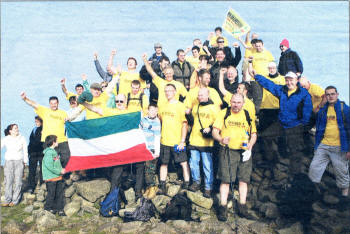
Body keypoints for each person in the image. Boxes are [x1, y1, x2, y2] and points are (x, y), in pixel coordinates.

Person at [252, 70, 313, 181]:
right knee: (266, 136)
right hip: (281, 122)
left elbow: (307, 111)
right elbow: (270, 85)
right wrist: (257, 76)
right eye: (287, 80)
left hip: (295, 125)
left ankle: (295, 176)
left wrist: (301, 125)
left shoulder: (303, 94)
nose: (289, 83)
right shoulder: (282, 90)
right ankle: (273, 161)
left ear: (297, 81)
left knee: (295, 151)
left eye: (291, 80)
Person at [212, 93, 257, 221]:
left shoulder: (248, 115)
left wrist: (250, 146)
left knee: (244, 179)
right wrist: (221, 138)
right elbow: (214, 131)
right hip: (227, 150)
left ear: (243, 103)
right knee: (225, 180)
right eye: (234, 102)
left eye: (238, 102)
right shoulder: (224, 113)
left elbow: (253, 134)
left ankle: (242, 207)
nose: (236, 105)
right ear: (230, 102)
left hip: (244, 151)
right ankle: (223, 207)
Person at [308, 86, 350, 208]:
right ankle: (314, 194)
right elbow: (318, 128)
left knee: (342, 171)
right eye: (327, 94)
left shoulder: (344, 109)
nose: (330, 96)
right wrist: (317, 145)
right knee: (314, 168)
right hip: (324, 145)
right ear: (325, 96)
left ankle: (344, 197)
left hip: (339, 147)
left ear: (337, 94)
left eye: (332, 94)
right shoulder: (323, 111)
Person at [20, 93, 77, 168]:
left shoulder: (63, 113)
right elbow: (34, 104)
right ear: (49, 104)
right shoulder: (45, 111)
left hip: (62, 140)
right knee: (52, 160)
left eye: (55, 103)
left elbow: (71, 122)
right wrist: (25, 99)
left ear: (58, 103)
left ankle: (63, 174)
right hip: (49, 141)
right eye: (52, 103)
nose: (53, 105)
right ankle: (55, 177)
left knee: (66, 157)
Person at [158, 84, 190, 193]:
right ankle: (162, 184)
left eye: (170, 91)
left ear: (175, 92)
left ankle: (186, 183)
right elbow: (160, 121)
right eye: (166, 91)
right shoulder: (162, 106)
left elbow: (184, 125)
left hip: (177, 142)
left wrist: (182, 141)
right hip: (164, 141)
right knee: (164, 163)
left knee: (183, 163)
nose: (168, 93)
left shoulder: (181, 106)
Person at [188, 88, 219, 198]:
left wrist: (210, 128)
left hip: (206, 142)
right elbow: (192, 121)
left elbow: (218, 122)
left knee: (207, 165)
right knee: (193, 163)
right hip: (194, 138)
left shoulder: (214, 108)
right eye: (199, 95)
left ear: (208, 95)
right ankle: (196, 182)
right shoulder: (196, 106)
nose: (199, 97)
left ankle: (208, 187)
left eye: (202, 95)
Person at [1, 124, 28, 207]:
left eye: (17, 128)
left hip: (19, 161)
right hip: (8, 161)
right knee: (8, 181)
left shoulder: (22, 138)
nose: (17, 129)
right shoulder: (5, 139)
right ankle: (7, 200)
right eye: (15, 128)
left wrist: (25, 161)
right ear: (10, 131)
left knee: (18, 181)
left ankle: (15, 201)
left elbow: (25, 150)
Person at [247, 39, 275, 113]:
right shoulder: (252, 54)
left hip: (266, 79)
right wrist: (252, 74)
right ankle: (256, 115)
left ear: (263, 45)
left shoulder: (268, 53)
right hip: (256, 79)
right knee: (258, 98)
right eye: (257, 46)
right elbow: (250, 68)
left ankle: (265, 114)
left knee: (267, 98)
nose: (258, 47)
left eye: (260, 46)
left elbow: (273, 66)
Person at [140, 104, 161, 199]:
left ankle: (153, 187)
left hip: (152, 149)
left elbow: (157, 137)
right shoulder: (143, 120)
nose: (153, 112)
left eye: (155, 111)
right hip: (143, 148)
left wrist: (157, 152)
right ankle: (148, 187)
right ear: (147, 110)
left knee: (150, 170)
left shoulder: (157, 122)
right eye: (151, 110)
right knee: (143, 169)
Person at [42, 135, 66, 216]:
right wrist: (60, 171)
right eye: (57, 140)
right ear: (53, 142)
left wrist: (61, 170)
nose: (58, 142)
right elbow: (49, 166)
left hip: (57, 177)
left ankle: (59, 209)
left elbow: (56, 164)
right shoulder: (49, 153)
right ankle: (48, 208)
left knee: (59, 194)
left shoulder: (54, 152)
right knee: (51, 194)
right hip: (51, 178)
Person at [26, 116, 44, 194]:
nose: (36, 123)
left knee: (43, 169)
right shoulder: (34, 129)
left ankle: (43, 184)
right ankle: (31, 186)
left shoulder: (44, 129)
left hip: (41, 152)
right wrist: (29, 151)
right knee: (32, 170)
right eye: (35, 121)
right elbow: (31, 141)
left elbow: (41, 141)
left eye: (37, 121)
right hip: (33, 153)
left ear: (41, 122)